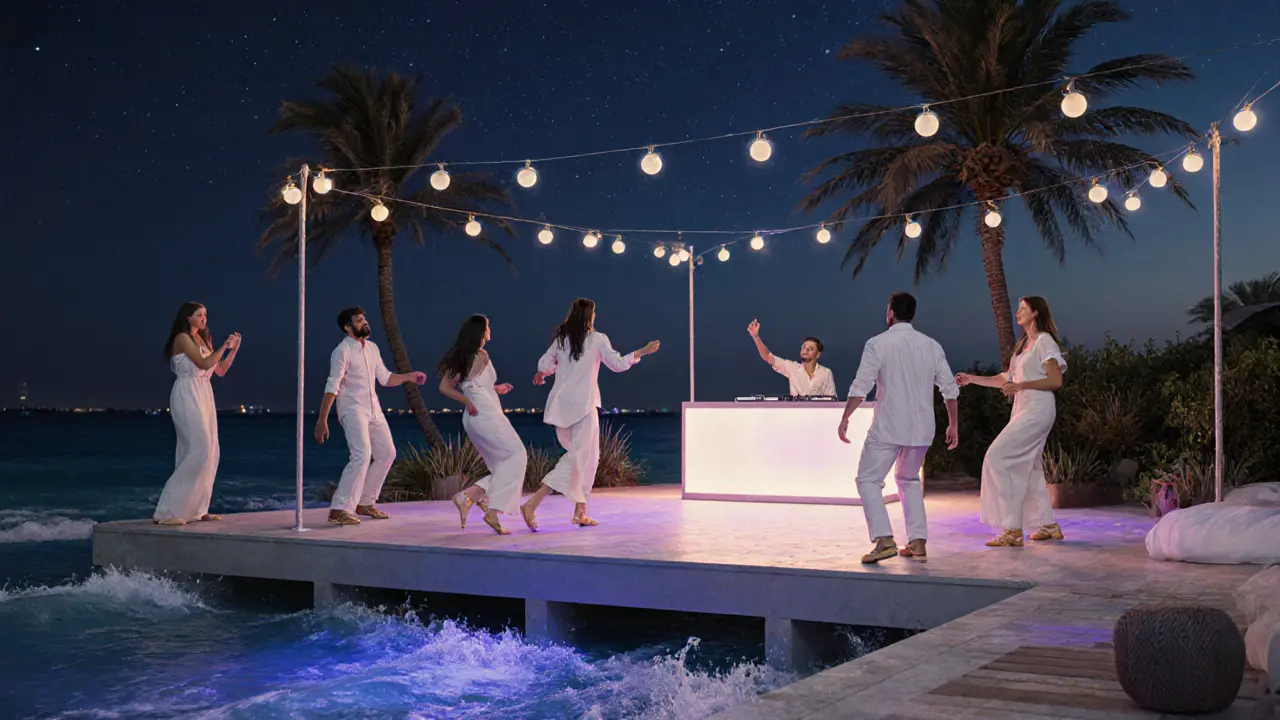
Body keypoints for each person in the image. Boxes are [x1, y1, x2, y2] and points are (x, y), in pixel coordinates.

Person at [838, 292, 959, 564]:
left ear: (890, 312)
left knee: (868, 479)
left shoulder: (877, 343)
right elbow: (950, 390)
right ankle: (918, 544)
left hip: (889, 426)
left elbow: (861, 384)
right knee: (908, 479)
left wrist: (846, 416)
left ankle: (884, 540)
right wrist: (953, 424)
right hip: (921, 429)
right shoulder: (932, 345)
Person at [521, 298, 660, 530]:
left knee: (585, 458)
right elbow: (616, 364)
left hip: (560, 408)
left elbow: (547, 361)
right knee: (580, 459)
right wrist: (641, 352)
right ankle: (533, 503)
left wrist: (541, 373)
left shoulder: (562, 339)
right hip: (584, 407)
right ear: (590, 316)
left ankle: (580, 512)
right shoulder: (597, 339)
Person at [957, 296, 1067, 548]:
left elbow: (1055, 381)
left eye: (1023, 309)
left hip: (1038, 409)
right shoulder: (1023, 345)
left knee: (997, 457)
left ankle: (1012, 528)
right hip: (1023, 408)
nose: (1018, 312)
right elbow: (1005, 378)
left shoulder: (1044, 341)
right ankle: (1048, 525)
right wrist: (972, 379)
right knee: (1031, 468)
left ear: (1036, 313)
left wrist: (1021, 385)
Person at [314, 306, 426, 526]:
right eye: (358, 320)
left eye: (364, 318)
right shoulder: (342, 351)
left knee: (387, 453)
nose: (364, 322)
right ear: (348, 327)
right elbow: (332, 385)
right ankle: (339, 508)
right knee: (362, 455)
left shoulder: (372, 348)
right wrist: (322, 419)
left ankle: (365, 502)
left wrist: (409, 377)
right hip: (352, 408)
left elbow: (384, 378)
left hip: (374, 408)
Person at [437, 314, 526, 535]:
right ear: (481, 332)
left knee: (501, 465)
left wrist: (496, 389)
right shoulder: (480, 355)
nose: (490, 329)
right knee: (517, 456)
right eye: (487, 326)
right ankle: (481, 502)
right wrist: (467, 400)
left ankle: (476, 500)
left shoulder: (464, 357)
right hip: (485, 414)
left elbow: (473, 386)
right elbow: (446, 388)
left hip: (477, 416)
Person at [154, 302, 241, 525]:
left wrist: (233, 350)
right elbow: (203, 363)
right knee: (198, 448)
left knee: (211, 452)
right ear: (188, 317)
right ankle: (167, 512)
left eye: (206, 315)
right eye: (199, 315)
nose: (204, 318)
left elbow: (218, 370)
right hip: (187, 393)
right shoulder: (182, 338)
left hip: (204, 394)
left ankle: (197, 509)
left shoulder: (204, 339)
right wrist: (224, 346)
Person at [747, 319, 836, 396]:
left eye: (811, 349)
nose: (806, 350)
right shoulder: (792, 367)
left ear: (818, 354)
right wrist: (755, 337)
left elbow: (832, 400)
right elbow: (768, 357)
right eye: (804, 347)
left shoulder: (826, 373)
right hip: (797, 414)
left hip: (818, 414)